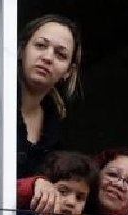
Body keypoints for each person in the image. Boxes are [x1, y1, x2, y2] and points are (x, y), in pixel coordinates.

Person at [17, 15, 82, 178]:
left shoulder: (58, 128)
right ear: (20, 50)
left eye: (60, 55)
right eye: (40, 45)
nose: (47, 57)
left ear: (68, 71)